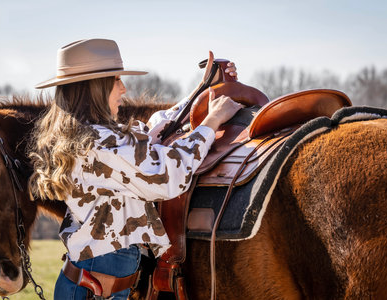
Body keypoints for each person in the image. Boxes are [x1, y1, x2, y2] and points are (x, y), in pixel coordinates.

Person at [28, 38, 242, 300]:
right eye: (116, 80)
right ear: (96, 87)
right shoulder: (102, 142)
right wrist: (212, 122)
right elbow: (168, 176)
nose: (124, 88)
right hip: (96, 290)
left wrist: (203, 90)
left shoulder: (86, 137)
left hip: (93, 284)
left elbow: (152, 130)